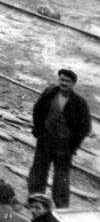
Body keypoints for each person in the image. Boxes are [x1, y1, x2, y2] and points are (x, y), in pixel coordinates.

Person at [28, 68, 92, 208]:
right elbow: (38, 109)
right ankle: (35, 200)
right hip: (45, 140)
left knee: (61, 177)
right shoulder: (50, 93)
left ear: (73, 84)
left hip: (64, 147)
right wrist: (38, 129)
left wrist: (73, 145)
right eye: (62, 80)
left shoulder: (79, 103)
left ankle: (61, 207)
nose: (63, 83)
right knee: (38, 170)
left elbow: (85, 127)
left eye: (67, 81)